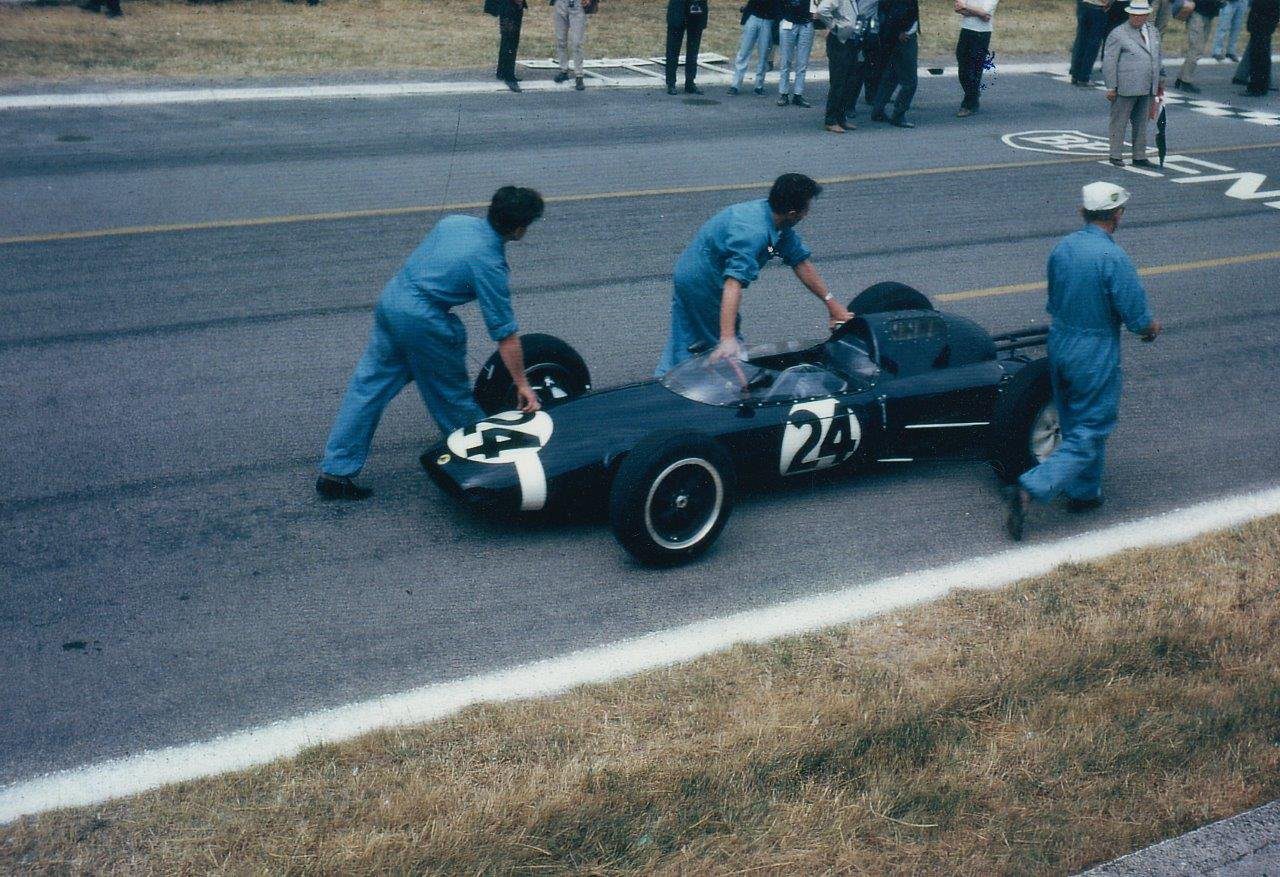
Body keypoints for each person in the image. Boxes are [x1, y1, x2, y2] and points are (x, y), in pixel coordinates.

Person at [316, 188, 544, 501]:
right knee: (452, 400)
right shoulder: (489, 263)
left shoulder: (454, 222)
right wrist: (523, 385)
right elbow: (505, 335)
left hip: (392, 301)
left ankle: (335, 473)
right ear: (520, 229)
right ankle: (485, 474)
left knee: (367, 389)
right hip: (424, 321)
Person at [1005, 182, 1161, 541]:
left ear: (1083, 213)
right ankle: (1029, 488)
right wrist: (1151, 328)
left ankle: (1083, 493)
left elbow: (1053, 299)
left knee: (1072, 419)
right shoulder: (1114, 258)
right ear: (1118, 214)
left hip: (1061, 342)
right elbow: (1136, 316)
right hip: (1094, 350)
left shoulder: (1063, 248)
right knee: (1092, 429)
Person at [655, 174, 854, 376]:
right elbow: (733, 284)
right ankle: (729, 388)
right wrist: (727, 338)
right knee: (727, 349)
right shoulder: (753, 233)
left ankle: (664, 380)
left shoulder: (776, 219)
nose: (807, 213)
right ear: (793, 213)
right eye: (807, 208)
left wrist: (832, 305)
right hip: (703, 283)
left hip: (691, 271)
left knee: (687, 339)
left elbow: (800, 262)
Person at [1103, 0, 1163, 167]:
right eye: (1134, 15)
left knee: (1142, 122)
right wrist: (1111, 86)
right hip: (1125, 86)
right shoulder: (1118, 33)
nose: (1137, 18)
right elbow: (1109, 62)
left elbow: (1158, 56)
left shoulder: (1153, 32)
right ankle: (1115, 154)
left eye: (1140, 15)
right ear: (1129, 14)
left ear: (1146, 15)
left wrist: (1159, 79)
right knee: (1119, 122)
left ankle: (1139, 155)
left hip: (1147, 85)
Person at [817, 0, 867, 133]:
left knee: (848, 81)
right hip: (839, 43)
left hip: (850, 42)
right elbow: (822, 10)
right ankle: (831, 120)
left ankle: (841, 118)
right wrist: (834, 26)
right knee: (838, 81)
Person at [871, 0, 920, 127]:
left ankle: (878, 110)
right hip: (905, 36)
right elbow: (897, 10)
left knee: (891, 76)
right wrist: (900, 31)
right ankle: (899, 114)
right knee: (910, 81)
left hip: (892, 35)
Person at [954, 0, 997, 117]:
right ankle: (973, 95)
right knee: (963, 68)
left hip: (982, 33)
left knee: (974, 69)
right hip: (966, 30)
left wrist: (967, 8)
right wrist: (978, 13)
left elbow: (986, 13)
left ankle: (969, 104)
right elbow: (958, 8)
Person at [730, 0, 780, 95]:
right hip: (753, 16)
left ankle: (759, 86)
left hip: (769, 20)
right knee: (743, 52)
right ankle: (735, 85)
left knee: (764, 55)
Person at [1174, 0, 1223, 91]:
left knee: (1196, 48)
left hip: (1207, 13)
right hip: (1198, 12)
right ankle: (1185, 81)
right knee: (1196, 48)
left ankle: (1181, 78)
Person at [777, 0, 816, 106]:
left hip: (806, 24)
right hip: (788, 22)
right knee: (785, 61)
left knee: (802, 62)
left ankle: (798, 94)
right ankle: (783, 93)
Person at [666, 0, 710, 95]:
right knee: (672, 50)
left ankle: (690, 83)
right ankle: (671, 83)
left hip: (697, 11)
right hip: (677, 10)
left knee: (693, 52)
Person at [552, 0, 597, 91]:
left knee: (577, 43)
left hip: (577, 4)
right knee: (561, 40)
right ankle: (563, 70)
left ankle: (579, 74)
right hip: (560, 4)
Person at [485, 0, 529, 92]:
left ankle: (502, 72)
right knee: (510, 40)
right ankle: (509, 76)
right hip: (509, 5)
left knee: (508, 40)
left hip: (509, 5)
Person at [1238, 0, 1278, 94]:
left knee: (1258, 55)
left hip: (1261, 21)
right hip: (1267, 21)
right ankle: (1262, 84)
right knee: (1263, 55)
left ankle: (1256, 86)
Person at [1070, 0, 1113, 85]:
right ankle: (1084, 77)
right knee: (1093, 44)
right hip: (1097, 7)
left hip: (1083, 5)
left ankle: (1075, 74)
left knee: (1080, 41)